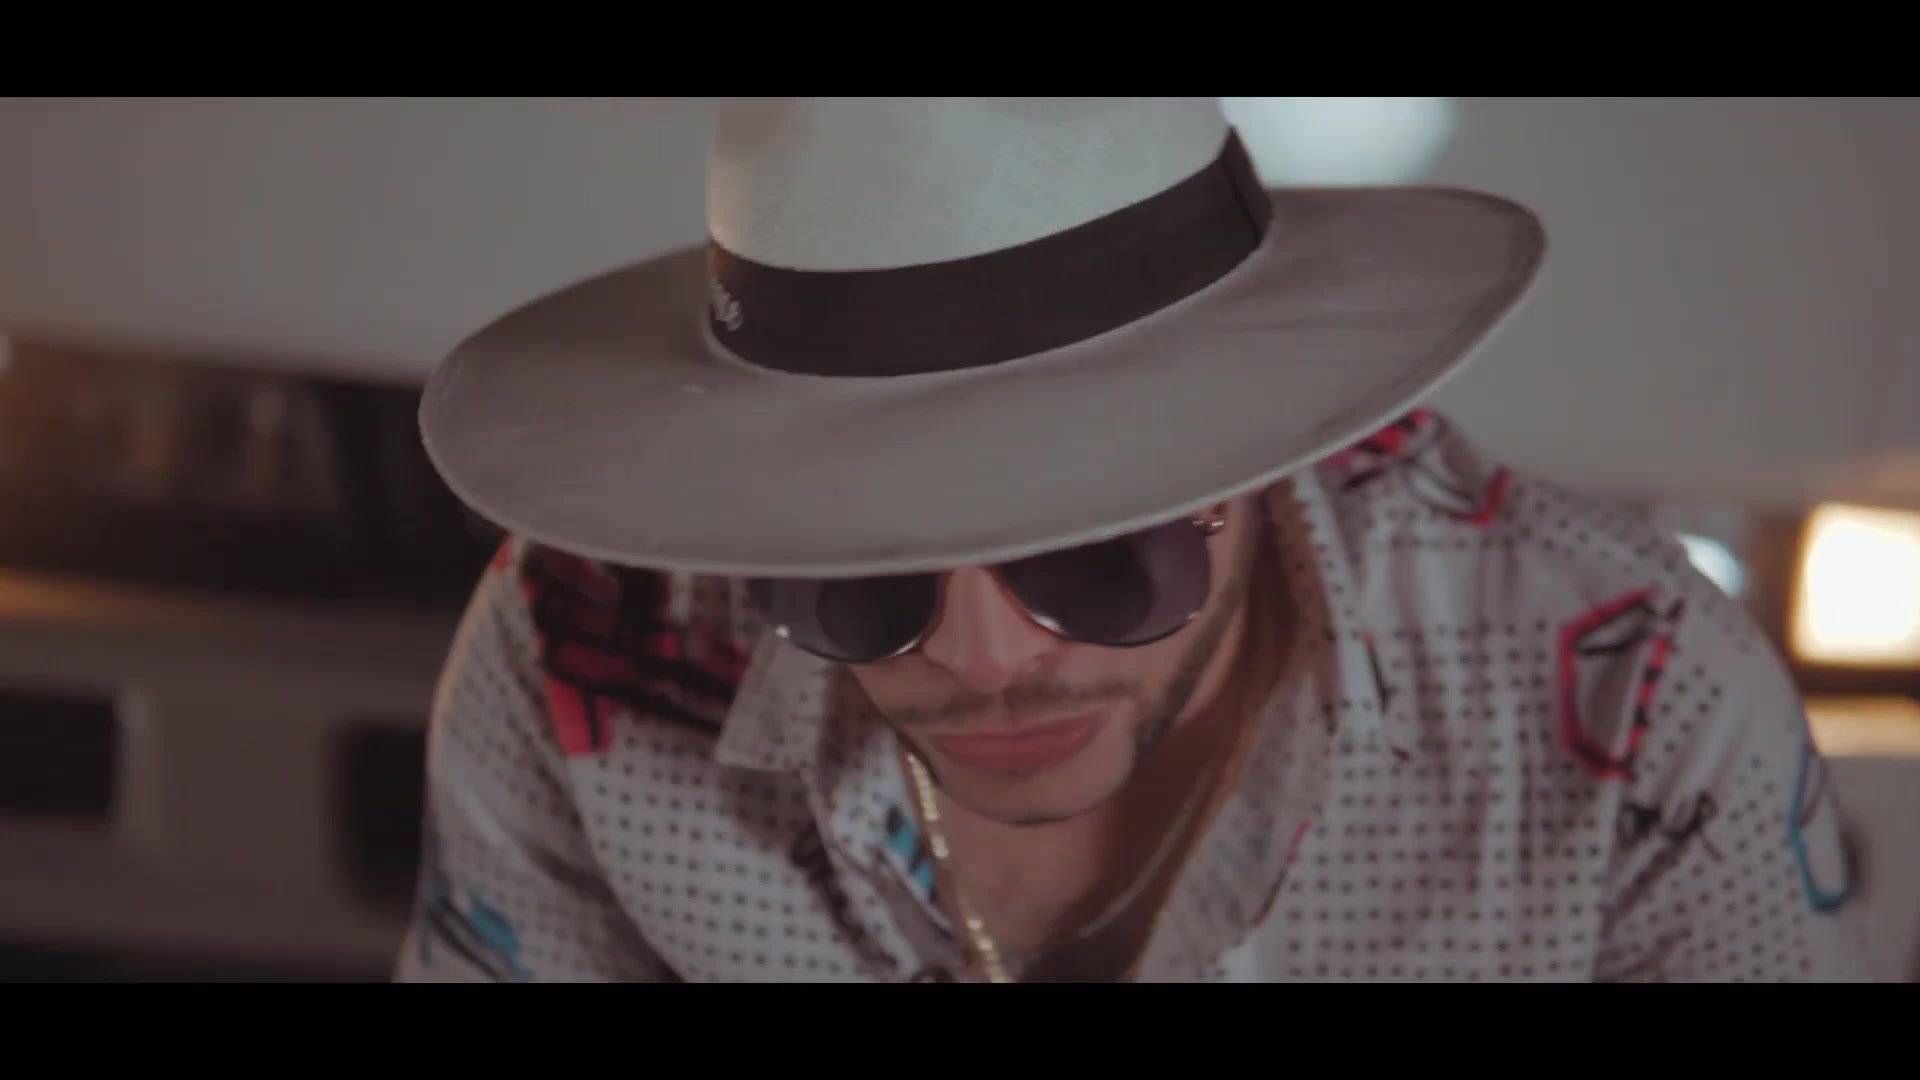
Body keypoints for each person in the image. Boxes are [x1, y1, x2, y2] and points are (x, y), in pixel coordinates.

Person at [393, 97, 1869, 982]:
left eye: (1091, 547)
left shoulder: (1637, 707)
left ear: (1260, 448)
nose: (987, 659)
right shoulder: (569, 646)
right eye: (855, 573)